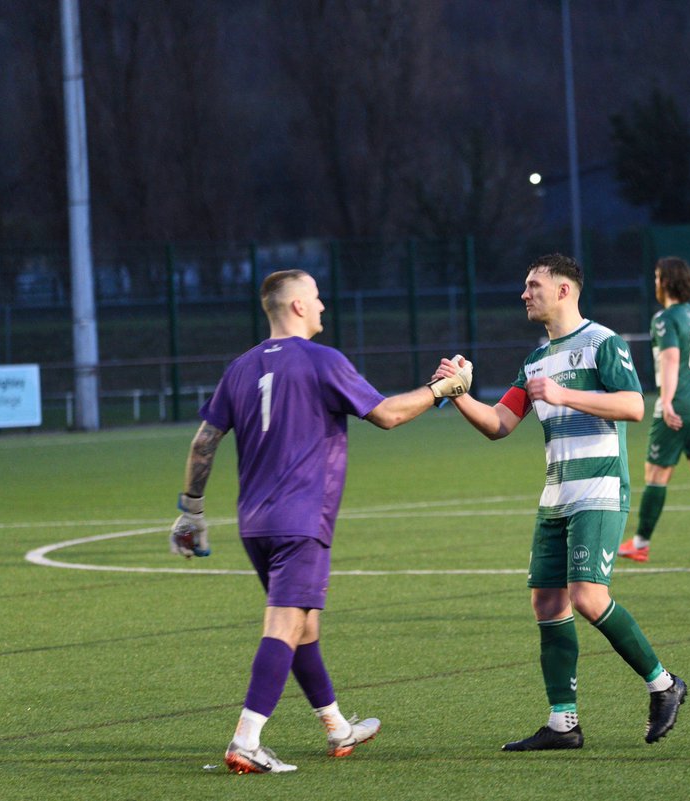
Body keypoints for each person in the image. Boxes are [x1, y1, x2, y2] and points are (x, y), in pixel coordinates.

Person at [169, 269, 471, 774]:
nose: (323, 305)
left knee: (304, 625)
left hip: (256, 523)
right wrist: (444, 388)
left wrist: (192, 510)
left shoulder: (240, 368)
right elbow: (387, 415)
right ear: (296, 308)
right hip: (301, 518)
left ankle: (337, 728)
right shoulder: (321, 360)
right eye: (315, 297)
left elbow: (204, 441)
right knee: (286, 624)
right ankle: (245, 741)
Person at [435, 253, 686, 751]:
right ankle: (562, 723)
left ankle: (664, 684)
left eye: (533, 285)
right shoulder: (535, 360)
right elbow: (499, 425)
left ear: (565, 290)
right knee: (546, 602)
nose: (525, 294)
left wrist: (565, 395)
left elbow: (634, 405)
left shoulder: (602, 342)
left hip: (598, 489)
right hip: (556, 494)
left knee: (588, 597)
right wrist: (459, 393)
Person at [617, 256, 690, 563]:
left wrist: (666, 401)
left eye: (657, 278)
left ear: (666, 282)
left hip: (678, 405)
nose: (655, 283)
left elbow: (670, 358)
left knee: (656, 473)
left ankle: (640, 543)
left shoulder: (664, 319)